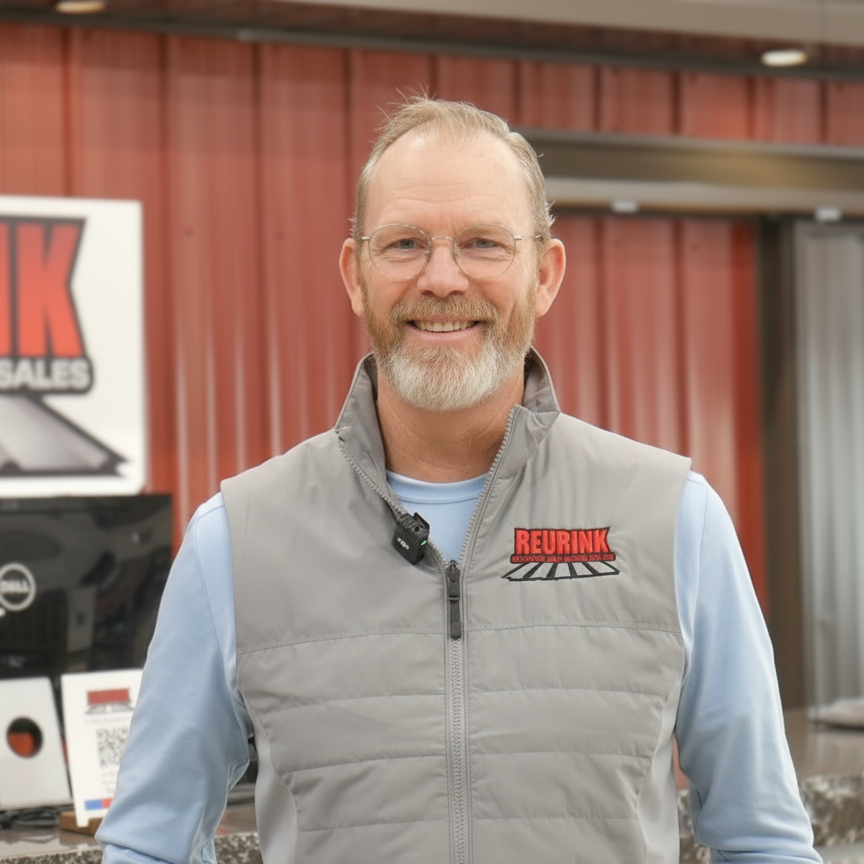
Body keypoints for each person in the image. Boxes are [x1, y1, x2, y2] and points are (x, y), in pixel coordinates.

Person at [98, 97, 821, 864]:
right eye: (405, 243)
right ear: (356, 274)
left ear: (545, 273)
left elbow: (762, 841)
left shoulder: (674, 520)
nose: (442, 279)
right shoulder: (236, 540)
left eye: (482, 243)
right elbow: (150, 844)